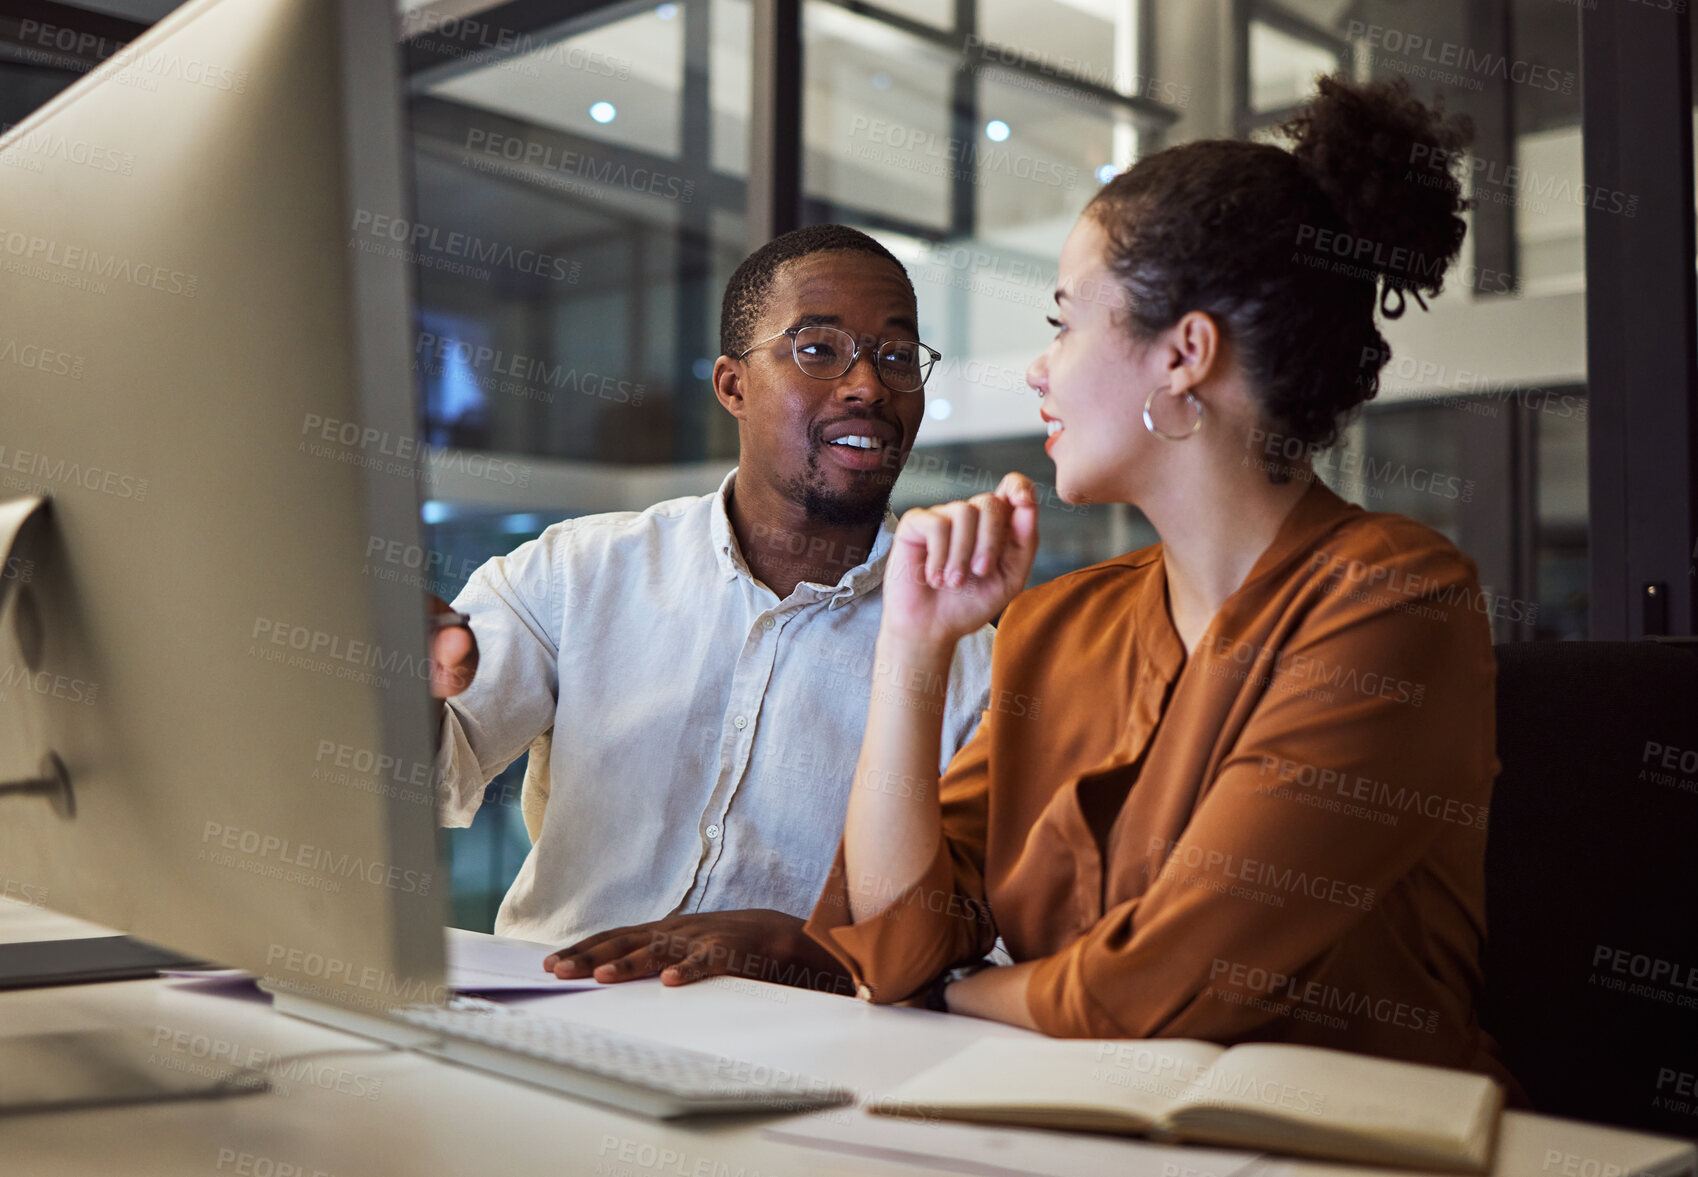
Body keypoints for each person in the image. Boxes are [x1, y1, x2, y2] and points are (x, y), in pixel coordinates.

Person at [790, 75, 1520, 1087]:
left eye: (1065, 322)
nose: (1040, 370)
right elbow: (900, 940)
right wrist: (913, 647)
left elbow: (1162, 990)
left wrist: (958, 993)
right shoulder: (1056, 625)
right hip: (1078, 1127)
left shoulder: (1396, 602)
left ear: (1184, 354)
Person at [427, 224, 995, 992]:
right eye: (818, 348)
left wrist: (820, 951)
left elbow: (991, 943)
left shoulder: (972, 662)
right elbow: (422, 774)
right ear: (733, 386)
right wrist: (393, 683)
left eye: (897, 357)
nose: (868, 385)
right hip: (547, 1002)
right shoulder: (577, 572)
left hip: (806, 1045)